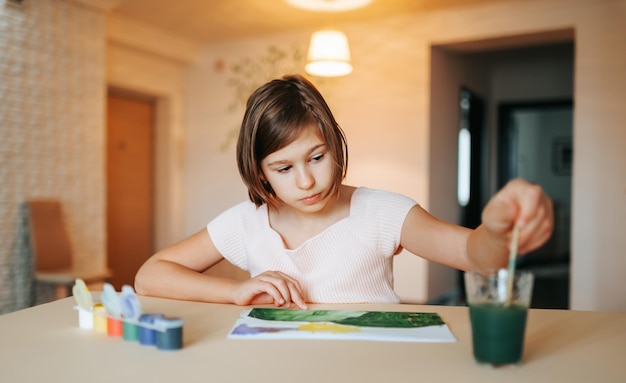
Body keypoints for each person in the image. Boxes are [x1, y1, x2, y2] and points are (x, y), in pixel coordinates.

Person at [135, 74, 553, 310]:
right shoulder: (246, 223)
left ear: (335, 146)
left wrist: (499, 231)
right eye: (283, 168)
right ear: (261, 175)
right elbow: (150, 276)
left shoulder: (381, 212)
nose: (306, 181)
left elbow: (472, 254)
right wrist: (233, 291)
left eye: (317, 157)